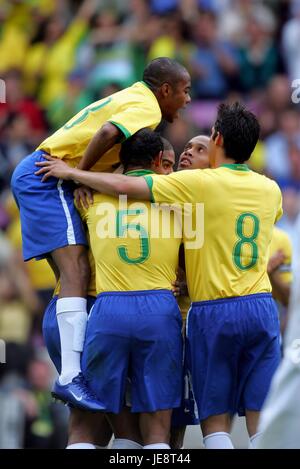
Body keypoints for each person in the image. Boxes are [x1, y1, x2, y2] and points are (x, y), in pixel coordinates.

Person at [36, 102, 283, 449]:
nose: (188, 157)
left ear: (218, 138)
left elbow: (120, 195)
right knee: (173, 431)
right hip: (218, 310)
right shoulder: (267, 191)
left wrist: (75, 173)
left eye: (201, 146)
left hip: (110, 310)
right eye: (184, 152)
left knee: (100, 426)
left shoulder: (169, 191)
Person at [11, 57, 191, 409]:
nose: (187, 99)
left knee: (73, 269)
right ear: (165, 90)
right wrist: (77, 173)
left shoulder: (132, 97)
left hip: (46, 172)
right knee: (76, 269)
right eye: (184, 92)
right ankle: (70, 377)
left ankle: (73, 364)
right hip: (46, 175)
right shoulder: (147, 108)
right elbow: (108, 132)